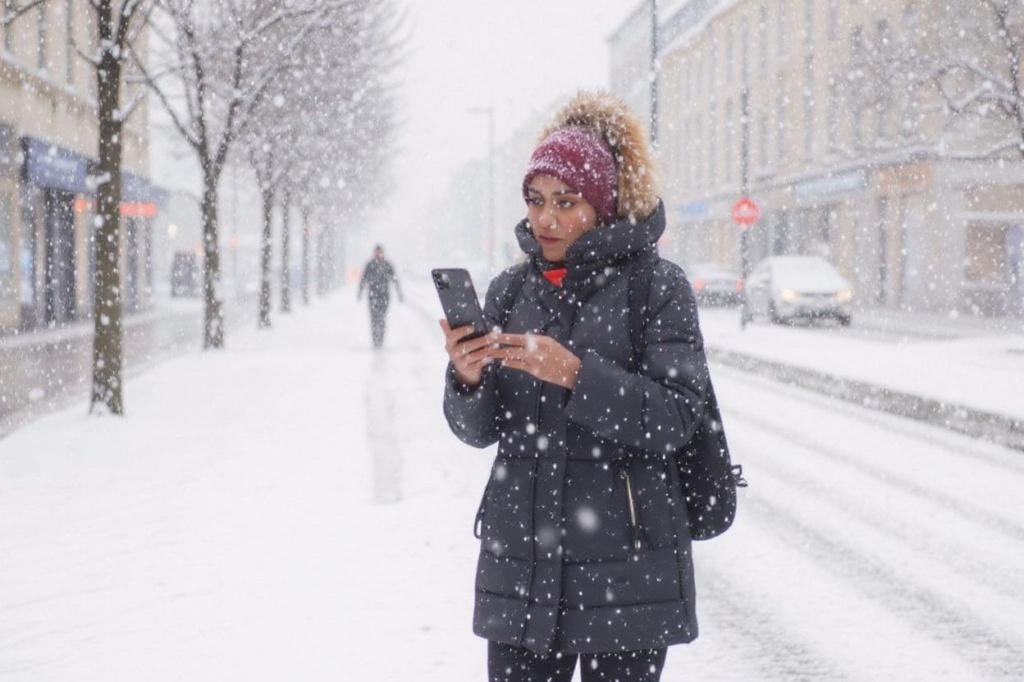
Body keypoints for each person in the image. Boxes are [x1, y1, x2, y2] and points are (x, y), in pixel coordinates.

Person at [439, 91, 716, 681]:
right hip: (521, 562)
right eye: (537, 201)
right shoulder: (511, 291)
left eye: (566, 202)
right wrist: (466, 378)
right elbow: (478, 431)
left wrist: (577, 375)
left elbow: (677, 416)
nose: (546, 219)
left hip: (628, 568)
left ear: (605, 205)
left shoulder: (657, 289)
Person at [357, 244, 402, 349]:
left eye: (380, 252)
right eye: (377, 252)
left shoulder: (387, 265)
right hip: (373, 296)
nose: (378, 254)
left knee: (382, 318)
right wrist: (360, 292)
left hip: (384, 296)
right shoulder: (370, 265)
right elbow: (363, 279)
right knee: (374, 318)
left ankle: (380, 339)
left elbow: (394, 279)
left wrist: (399, 292)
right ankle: (375, 339)